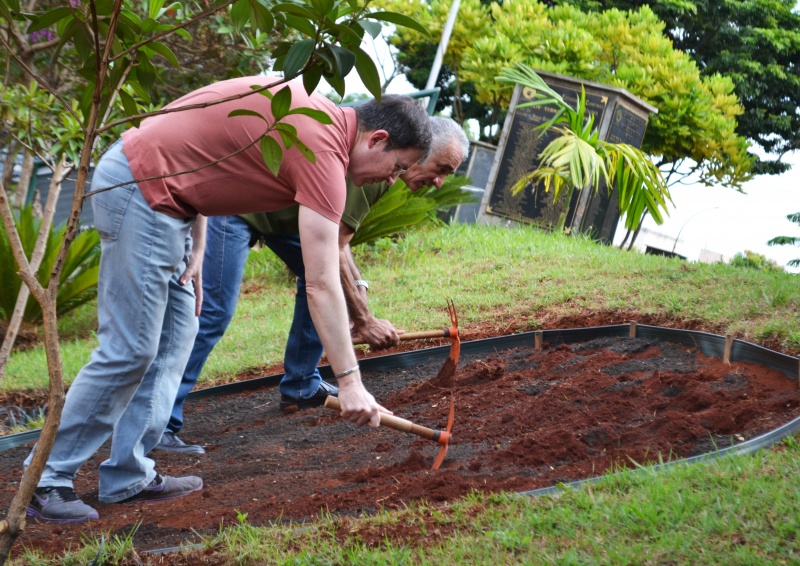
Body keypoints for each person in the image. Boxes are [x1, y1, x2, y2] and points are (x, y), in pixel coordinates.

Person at [23, 77, 432, 523]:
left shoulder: (312, 112)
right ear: (378, 139)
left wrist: (196, 240)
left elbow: (196, 137)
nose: (392, 180)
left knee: (179, 334)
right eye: (396, 168)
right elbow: (319, 282)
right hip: (140, 190)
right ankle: (44, 480)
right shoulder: (322, 151)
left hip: (172, 207)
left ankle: (128, 474)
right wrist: (351, 383)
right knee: (130, 348)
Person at [155, 117, 470, 454]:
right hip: (235, 206)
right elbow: (332, 251)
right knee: (214, 311)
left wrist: (359, 299)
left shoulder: (386, 170)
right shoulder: (381, 165)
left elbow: (336, 238)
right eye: (441, 169)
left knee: (318, 277)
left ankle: (302, 385)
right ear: (419, 152)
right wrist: (363, 320)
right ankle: (158, 424)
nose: (439, 182)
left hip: (282, 214)